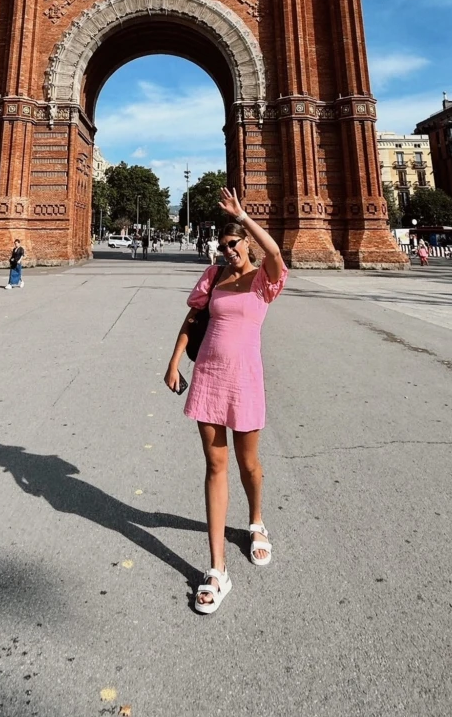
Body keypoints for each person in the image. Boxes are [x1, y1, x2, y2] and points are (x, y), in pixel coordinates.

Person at [164, 187, 287, 615]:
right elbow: (193, 317)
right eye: (222, 246)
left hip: (245, 380)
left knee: (247, 464)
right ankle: (217, 569)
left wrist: (243, 216)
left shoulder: (263, 280)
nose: (227, 250)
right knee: (214, 467)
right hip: (209, 379)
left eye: (232, 244)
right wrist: (174, 361)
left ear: (247, 243)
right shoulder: (213, 276)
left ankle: (256, 523)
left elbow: (273, 251)